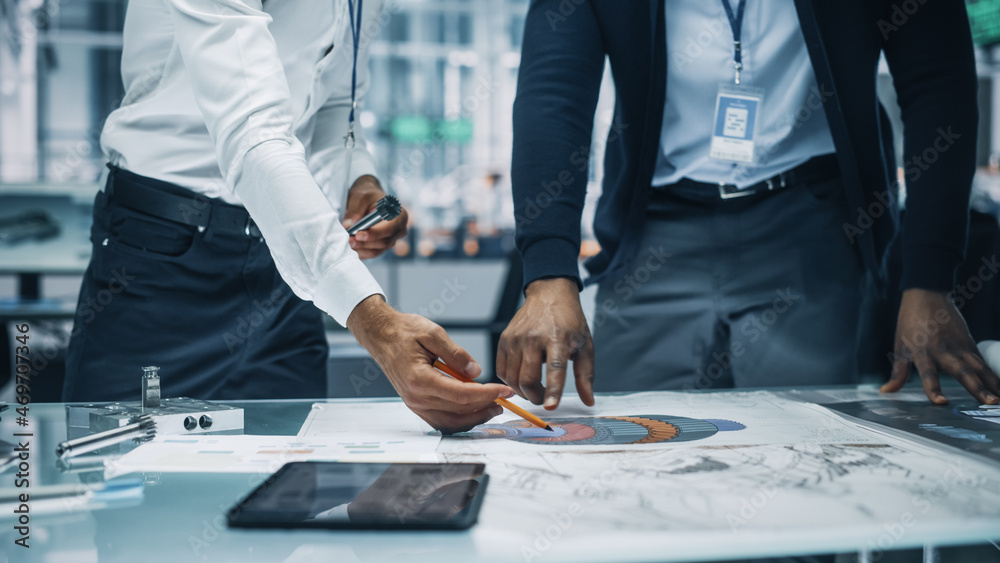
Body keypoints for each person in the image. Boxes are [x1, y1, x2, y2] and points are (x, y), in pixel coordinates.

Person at [499, 0, 1000, 409]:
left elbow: (939, 83)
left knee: (808, 451)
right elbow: (554, 92)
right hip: (655, 229)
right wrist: (548, 273)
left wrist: (930, 279)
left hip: (809, 227)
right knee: (632, 436)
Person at [63, 0, 512, 433]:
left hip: (280, 261)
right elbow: (253, 133)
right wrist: (372, 320)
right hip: (159, 257)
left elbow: (333, 107)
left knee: (285, 483)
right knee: (117, 473)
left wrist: (359, 180)